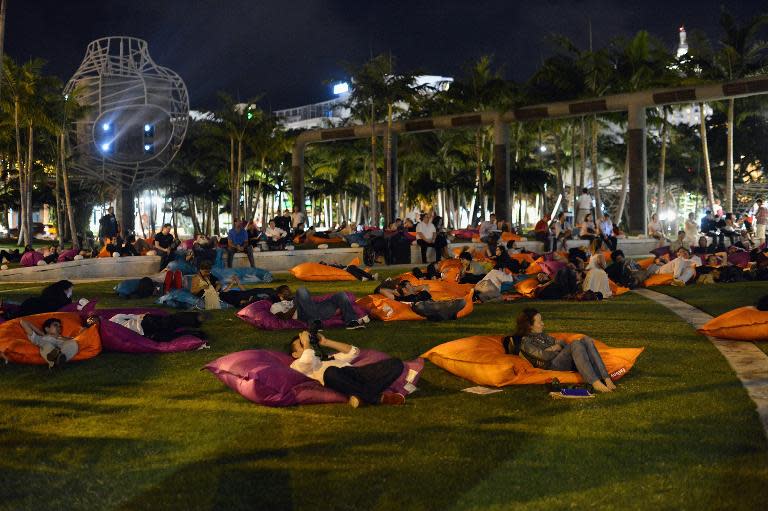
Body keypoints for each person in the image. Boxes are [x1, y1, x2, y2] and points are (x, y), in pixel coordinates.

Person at [289, 330, 406, 407]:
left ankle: (362, 396)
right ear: (294, 354)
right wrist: (306, 343)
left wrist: (325, 341)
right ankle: (378, 398)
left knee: (396, 364)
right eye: (301, 345)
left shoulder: (326, 358)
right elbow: (307, 360)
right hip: (335, 378)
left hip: (356, 374)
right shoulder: (296, 364)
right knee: (330, 372)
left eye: (305, 343)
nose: (306, 344)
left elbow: (353, 352)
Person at [511, 308, 615, 393]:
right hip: (552, 365)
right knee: (575, 343)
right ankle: (595, 382)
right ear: (529, 326)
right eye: (539, 322)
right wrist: (558, 349)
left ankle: (606, 378)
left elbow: (562, 342)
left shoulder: (542, 335)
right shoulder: (526, 341)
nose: (543, 324)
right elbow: (545, 356)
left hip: (559, 359)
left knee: (586, 340)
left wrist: (554, 348)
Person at [270, 285, 369, 329]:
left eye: (289, 290)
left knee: (340, 295)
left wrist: (298, 300)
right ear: (280, 295)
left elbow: (310, 302)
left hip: (317, 309)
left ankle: (351, 322)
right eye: (285, 291)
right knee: (301, 290)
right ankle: (314, 322)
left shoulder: (296, 298)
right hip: (302, 314)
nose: (289, 292)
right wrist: (296, 304)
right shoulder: (276, 306)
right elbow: (284, 317)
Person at [191, 260, 276, 306]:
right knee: (236, 296)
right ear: (200, 270)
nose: (207, 273)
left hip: (219, 292)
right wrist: (202, 287)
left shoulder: (210, 275)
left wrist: (216, 289)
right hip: (214, 295)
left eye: (208, 271)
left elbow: (218, 283)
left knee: (244, 292)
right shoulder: (196, 278)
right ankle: (245, 302)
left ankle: (270, 291)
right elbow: (193, 291)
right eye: (206, 272)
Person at [91, 311, 206, 342]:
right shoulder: (105, 333)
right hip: (145, 334)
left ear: (99, 318)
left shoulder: (114, 319)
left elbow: (131, 316)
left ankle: (196, 318)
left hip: (144, 323)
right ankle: (197, 335)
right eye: (89, 322)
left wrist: (142, 316)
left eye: (92, 319)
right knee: (167, 336)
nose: (91, 321)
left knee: (169, 322)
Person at [20, 317, 86, 368]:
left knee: (73, 344)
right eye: (55, 325)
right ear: (47, 328)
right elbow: (23, 322)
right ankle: (57, 358)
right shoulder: (39, 337)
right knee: (47, 345)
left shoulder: (64, 337)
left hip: (62, 348)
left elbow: (78, 339)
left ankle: (58, 360)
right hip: (47, 347)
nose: (59, 327)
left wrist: (82, 331)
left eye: (60, 326)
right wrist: (41, 333)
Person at [5, 280, 74, 319]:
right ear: (64, 290)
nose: (71, 293)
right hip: (32, 310)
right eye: (70, 290)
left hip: (30, 305)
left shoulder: (52, 296)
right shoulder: (57, 301)